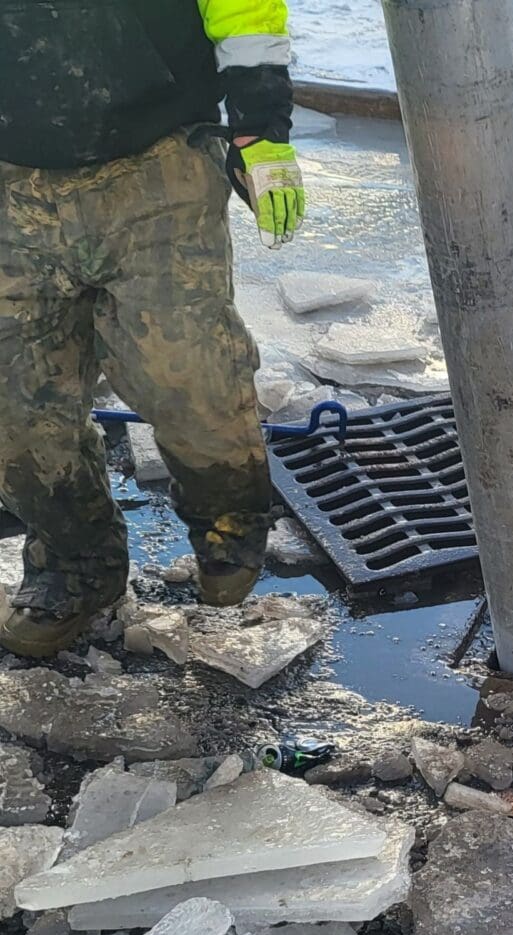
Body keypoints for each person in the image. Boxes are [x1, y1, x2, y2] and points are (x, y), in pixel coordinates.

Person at [0, 0, 305, 657]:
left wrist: (261, 130)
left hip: (159, 156)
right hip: (9, 179)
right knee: (16, 405)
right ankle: (76, 564)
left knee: (187, 369)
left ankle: (229, 520)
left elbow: (242, 5)